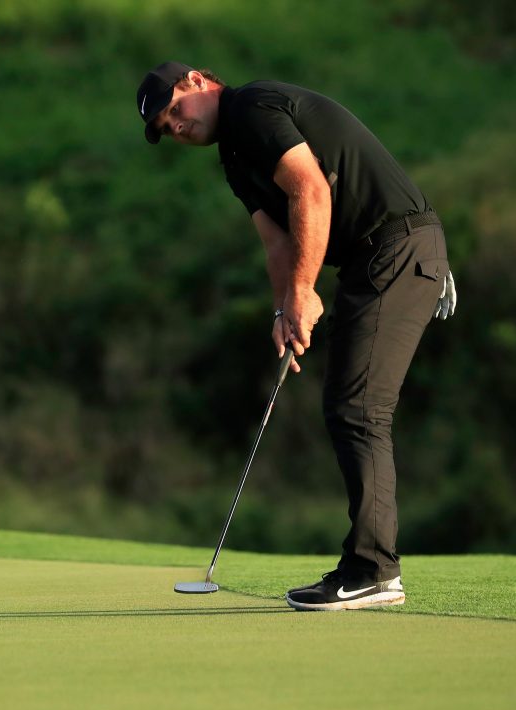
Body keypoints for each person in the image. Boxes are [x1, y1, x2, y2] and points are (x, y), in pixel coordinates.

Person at [136, 62, 456, 611]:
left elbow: (310, 190)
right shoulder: (234, 158)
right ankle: (372, 567)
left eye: (176, 110)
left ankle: (373, 570)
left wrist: (306, 291)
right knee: (350, 407)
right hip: (375, 258)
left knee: (358, 410)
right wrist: (286, 306)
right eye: (166, 127)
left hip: (396, 248)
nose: (177, 127)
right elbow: (278, 243)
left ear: (198, 81)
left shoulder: (253, 109)